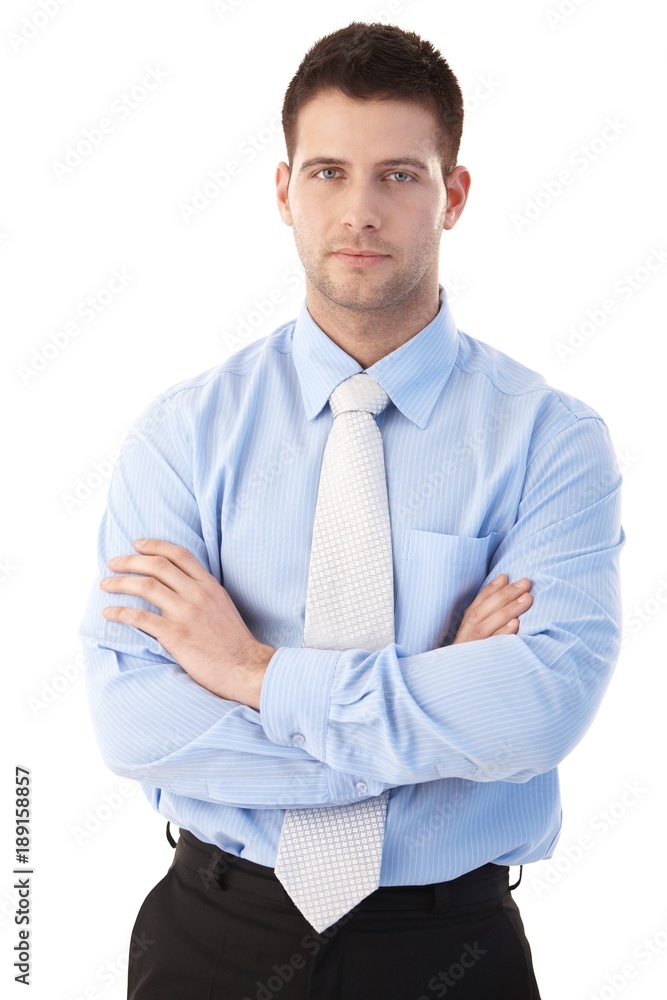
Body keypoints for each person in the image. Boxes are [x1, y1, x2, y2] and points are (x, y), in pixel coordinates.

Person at [78, 21, 624, 1000]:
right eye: (327, 172)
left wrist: (250, 673)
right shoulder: (181, 436)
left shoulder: (553, 442)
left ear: (453, 195)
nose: (360, 211)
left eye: (398, 176)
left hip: (448, 944)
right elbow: (135, 724)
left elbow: (538, 711)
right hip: (212, 934)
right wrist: (432, 709)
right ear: (282, 191)